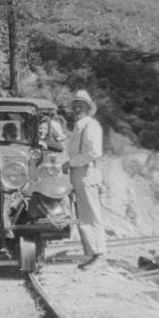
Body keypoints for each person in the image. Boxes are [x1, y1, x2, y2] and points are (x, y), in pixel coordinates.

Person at [66, 89, 106, 269]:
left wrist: (70, 163)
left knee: (91, 215)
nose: (77, 109)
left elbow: (94, 152)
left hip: (87, 173)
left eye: (81, 106)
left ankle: (99, 255)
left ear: (88, 108)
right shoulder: (79, 126)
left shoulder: (91, 125)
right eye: (75, 106)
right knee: (84, 216)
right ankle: (91, 254)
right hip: (79, 174)